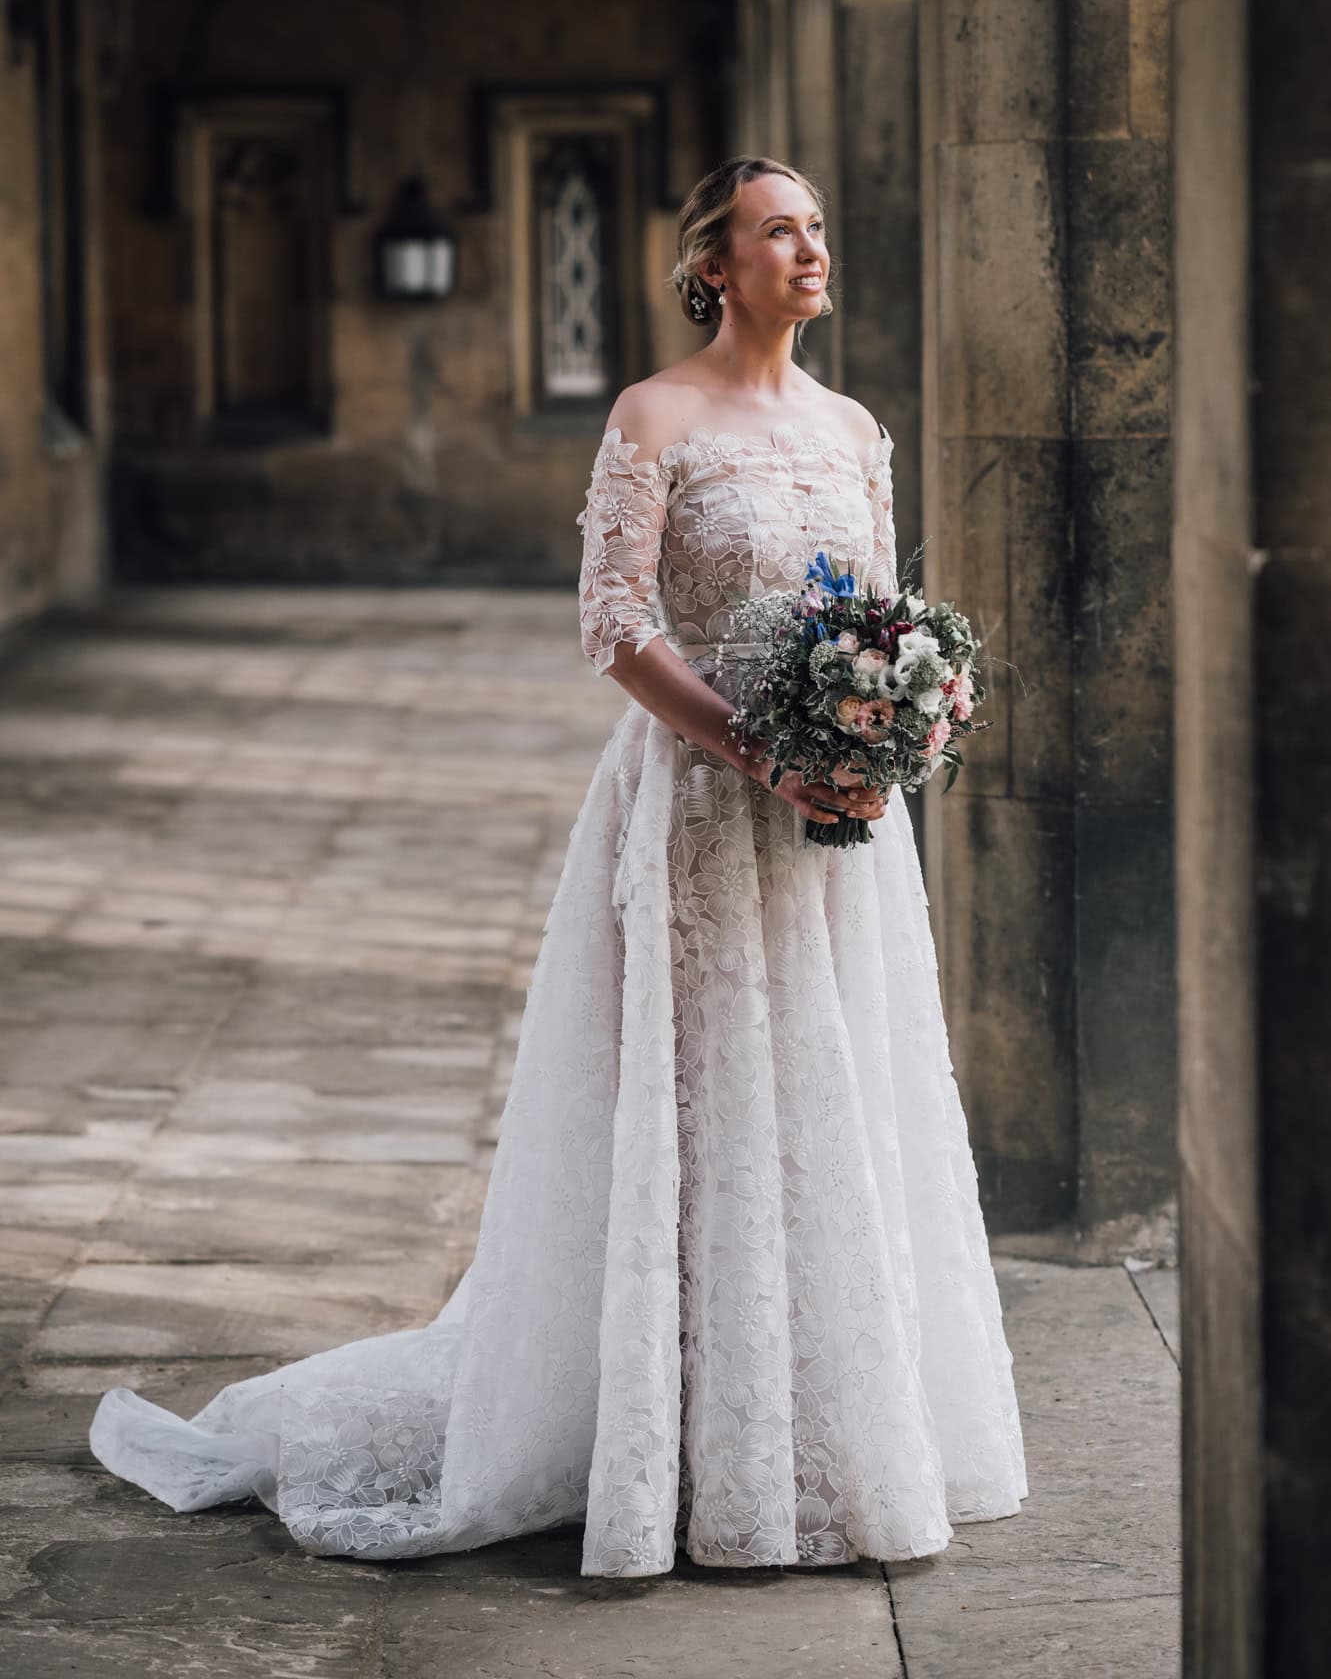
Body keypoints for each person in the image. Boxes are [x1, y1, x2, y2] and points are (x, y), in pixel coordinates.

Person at [87, 154, 1028, 1577]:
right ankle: (679, 1421)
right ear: (716, 263)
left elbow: (884, 615)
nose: (811, 251)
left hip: (839, 827)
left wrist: (896, 723)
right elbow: (615, 621)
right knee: (704, 1100)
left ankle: (834, 1421)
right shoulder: (654, 413)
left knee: (838, 1092)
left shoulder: (856, 430)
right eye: (781, 231)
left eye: (819, 229)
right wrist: (752, 749)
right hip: (702, 811)